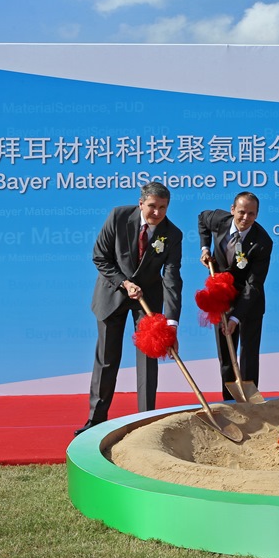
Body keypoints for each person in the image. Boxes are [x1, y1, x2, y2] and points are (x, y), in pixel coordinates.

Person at [77, 181, 183, 435]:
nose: (157, 212)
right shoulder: (118, 216)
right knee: (107, 359)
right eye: (152, 206)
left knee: (148, 360)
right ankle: (95, 421)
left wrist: (171, 324)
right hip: (112, 292)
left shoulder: (173, 234)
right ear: (141, 203)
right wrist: (124, 283)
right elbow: (100, 256)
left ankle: (145, 421)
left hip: (147, 298)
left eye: (163, 207)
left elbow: (172, 279)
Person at [199, 192, 273, 401]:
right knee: (226, 354)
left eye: (251, 214)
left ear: (257, 215)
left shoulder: (263, 242)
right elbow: (202, 219)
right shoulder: (218, 220)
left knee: (249, 354)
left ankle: (249, 403)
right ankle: (230, 401)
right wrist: (205, 248)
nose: (245, 218)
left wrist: (235, 318)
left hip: (250, 302)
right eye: (241, 212)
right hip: (222, 297)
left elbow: (253, 284)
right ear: (232, 210)